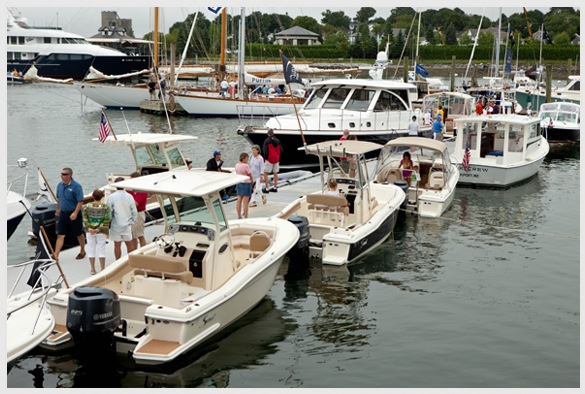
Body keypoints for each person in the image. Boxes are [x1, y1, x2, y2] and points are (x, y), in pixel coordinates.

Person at [54, 167, 86, 260]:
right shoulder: (59, 185)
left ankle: (82, 250)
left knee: (78, 233)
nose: (61, 176)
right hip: (63, 214)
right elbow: (58, 198)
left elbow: (80, 201)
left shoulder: (76, 186)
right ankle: (56, 255)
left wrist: (75, 213)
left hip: (73, 213)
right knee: (60, 235)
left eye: (64, 174)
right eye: (61, 173)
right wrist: (58, 208)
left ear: (69, 175)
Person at [107, 177, 137, 260]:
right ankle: (131, 261)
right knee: (129, 243)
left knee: (117, 245)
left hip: (115, 224)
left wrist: (109, 222)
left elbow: (109, 212)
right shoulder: (130, 196)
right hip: (127, 223)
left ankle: (118, 261)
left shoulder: (111, 197)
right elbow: (134, 211)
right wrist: (133, 220)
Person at [83, 189, 110, 275]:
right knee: (101, 249)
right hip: (101, 231)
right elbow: (106, 220)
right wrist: (98, 229)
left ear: (93, 196)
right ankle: (102, 268)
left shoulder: (87, 206)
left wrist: (90, 228)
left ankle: (92, 269)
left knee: (91, 249)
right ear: (102, 197)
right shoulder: (105, 207)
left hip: (89, 231)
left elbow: (84, 219)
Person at [127, 172, 148, 250]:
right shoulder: (133, 191)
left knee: (139, 235)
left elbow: (135, 203)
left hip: (138, 214)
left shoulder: (142, 191)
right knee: (132, 235)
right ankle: (134, 251)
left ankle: (143, 252)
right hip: (132, 214)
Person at [235, 153, 253, 219]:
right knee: (245, 202)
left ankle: (239, 216)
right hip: (246, 183)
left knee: (239, 200)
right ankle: (246, 216)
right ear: (244, 158)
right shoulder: (246, 166)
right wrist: (252, 183)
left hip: (239, 182)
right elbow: (250, 175)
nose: (247, 159)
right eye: (247, 158)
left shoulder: (237, 165)